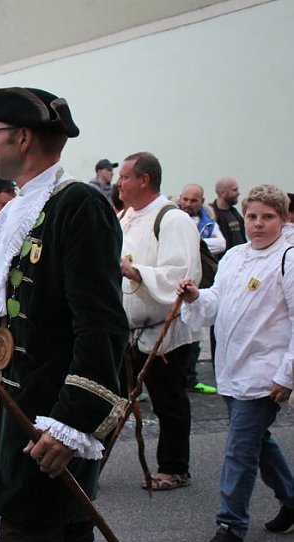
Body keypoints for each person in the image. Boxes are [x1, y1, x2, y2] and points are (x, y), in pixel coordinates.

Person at [0, 87, 128, 542]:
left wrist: (72, 421)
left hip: (53, 412)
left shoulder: (79, 205)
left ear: (22, 138)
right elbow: (5, 322)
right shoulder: (13, 215)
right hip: (20, 405)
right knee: (69, 530)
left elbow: (102, 324)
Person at [177, 184, 294, 542]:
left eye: (268, 217)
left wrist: (286, 374)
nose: (258, 225)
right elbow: (216, 302)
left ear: (283, 218)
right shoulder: (234, 256)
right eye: (253, 217)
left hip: (264, 373)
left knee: (239, 450)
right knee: (257, 442)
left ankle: (231, 527)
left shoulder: (288, 258)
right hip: (232, 368)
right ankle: (291, 500)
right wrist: (196, 296)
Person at [118, 152, 201, 492]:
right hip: (129, 332)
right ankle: (87, 459)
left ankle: (174, 467)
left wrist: (135, 271)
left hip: (164, 331)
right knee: (112, 396)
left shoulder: (172, 219)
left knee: (169, 402)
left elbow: (182, 273)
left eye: (124, 177)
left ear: (144, 180)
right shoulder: (126, 217)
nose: (119, 183)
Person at [177, 183, 223, 396]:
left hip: (201, 284)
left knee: (196, 334)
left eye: (193, 200)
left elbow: (220, 244)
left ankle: (191, 377)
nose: (188, 204)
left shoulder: (207, 221)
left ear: (201, 202)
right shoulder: (174, 218)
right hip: (178, 284)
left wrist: (195, 240)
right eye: (185, 199)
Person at [208, 177, 246, 257]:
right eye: (234, 190)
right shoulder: (210, 215)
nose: (238, 193)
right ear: (222, 192)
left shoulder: (235, 213)